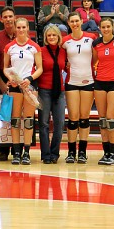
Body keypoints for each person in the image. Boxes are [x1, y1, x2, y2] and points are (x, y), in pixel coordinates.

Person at [4, 17, 43, 165]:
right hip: (15, 87)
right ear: (15, 28)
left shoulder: (34, 47)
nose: (20, 30)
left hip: (29, 87)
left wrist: (30, 79)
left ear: (28, 28)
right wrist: (10, 78)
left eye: (23, 27)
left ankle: (26, 152)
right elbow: (5, 67)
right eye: (18, 27)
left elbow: (40, 68)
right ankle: (16, 152)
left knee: (28, 120)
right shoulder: (9, 47)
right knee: (15, 120)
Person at [61, 12, 97, 164]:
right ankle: (71, 152)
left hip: (88, 80)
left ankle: (82, 152)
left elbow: (95, 58)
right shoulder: (64, 41)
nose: (75, 24)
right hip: (72, 82)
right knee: (73, 118)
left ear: (82, 21)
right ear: (68, 24)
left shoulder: (91, 38)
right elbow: (61, 60)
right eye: (72, 22)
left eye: (77, 21)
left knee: (84, 117)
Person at [93, 18, 114, 166]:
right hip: (100, 82)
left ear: (113, 27)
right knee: (102, 119)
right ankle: (106, 152)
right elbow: (93, 61)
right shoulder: (96, 43)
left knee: (111, 119)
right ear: (100, 28)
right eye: (103, 27)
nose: (105, 29)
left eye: (108, 27)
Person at [38, 25, 66, 164]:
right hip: (44, 91)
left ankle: (55, 153)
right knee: (43, 123)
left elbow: (67, 67)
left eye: (54, 35)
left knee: (59, 123)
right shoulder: (41, 51)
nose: (51, 37)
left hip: (59, 91)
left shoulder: (63, 51)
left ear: (58, 36)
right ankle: (46, 154)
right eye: (49, 35)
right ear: (45, 38)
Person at [0, 6, 16, 161]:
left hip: (20, 81)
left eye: (10, 16)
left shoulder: (23, 35)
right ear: (1, 20)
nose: (8, 19)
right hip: (2, 80)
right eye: (5, 17)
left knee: (17, 115)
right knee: (4, 116)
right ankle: (4, 150)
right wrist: (0, 82)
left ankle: (17, 148)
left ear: (14, 17)